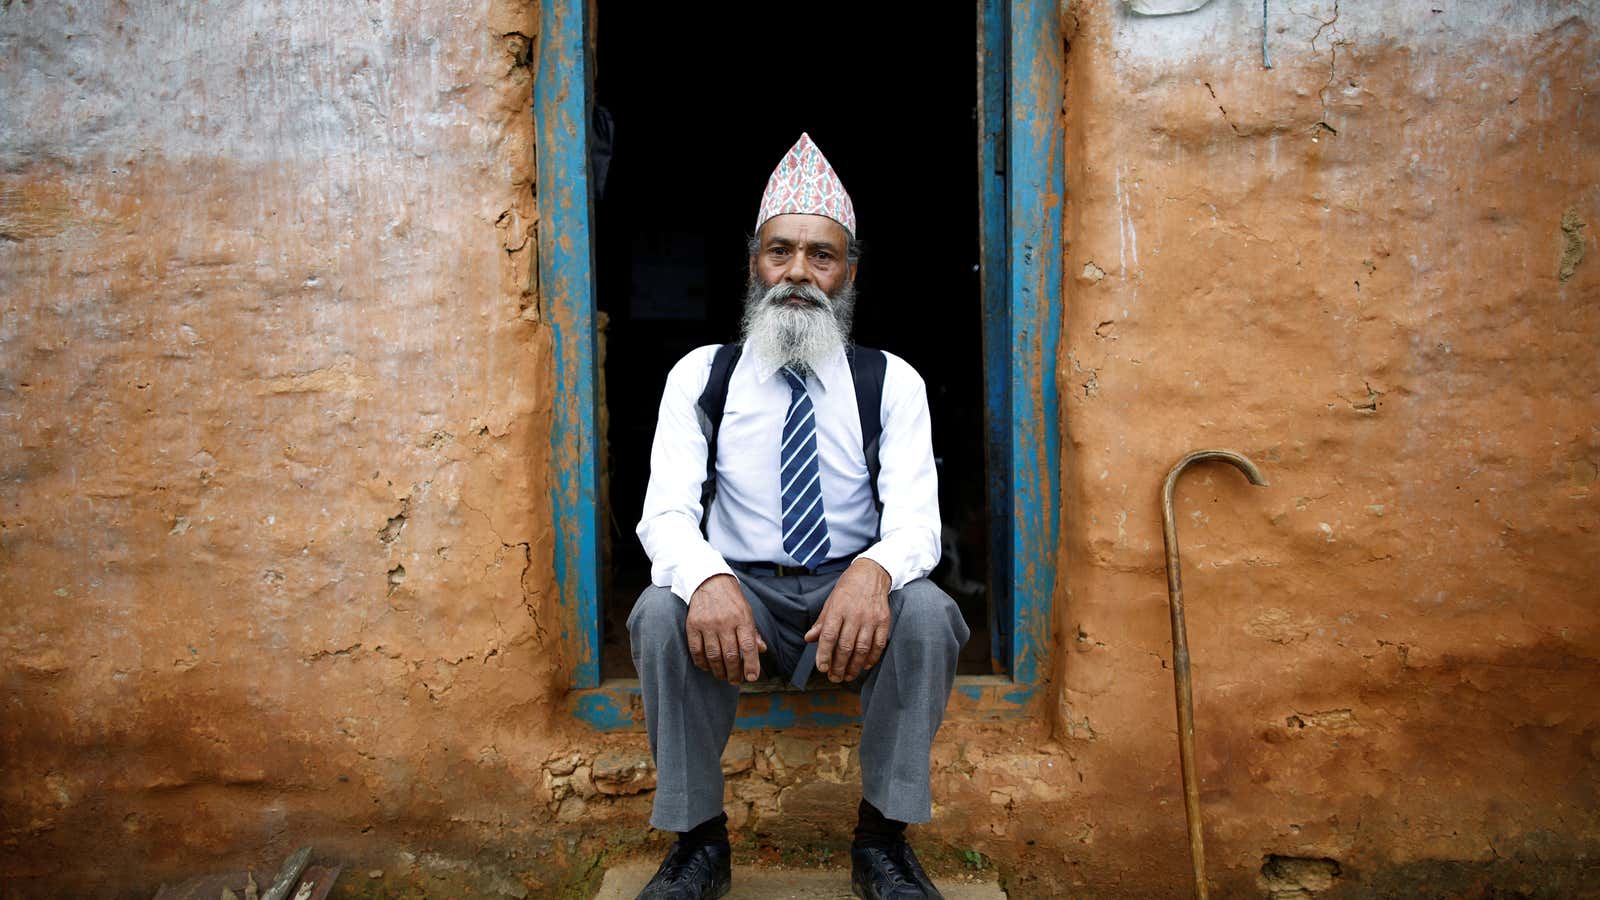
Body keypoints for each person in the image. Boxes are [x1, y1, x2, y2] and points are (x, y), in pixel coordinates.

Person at [629, 133, 969, 900]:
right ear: (755, 261)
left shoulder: (892, 381)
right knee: (657, 611)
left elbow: (916, 521)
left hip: (847, 598)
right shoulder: (701, 376)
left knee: (929, 613)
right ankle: (698, 844)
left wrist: (873, 571)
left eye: (822, 256)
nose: (799, 274)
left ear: (849, 272)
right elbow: (666, 516)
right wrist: (711, 580)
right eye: (781, 252)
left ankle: (883, 843)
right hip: (742, 596)